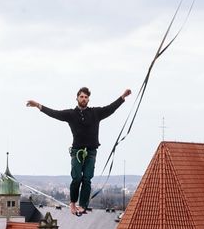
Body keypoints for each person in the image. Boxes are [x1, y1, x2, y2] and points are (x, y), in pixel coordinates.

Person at [27, 86, 130, 215]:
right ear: (77, 98)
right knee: (77, 178)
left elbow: (110, 108)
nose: (84, 99)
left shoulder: (95, 113)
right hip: (77, 151)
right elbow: (54, 113)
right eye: (81, 97)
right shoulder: (71, 114)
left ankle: (83, 205)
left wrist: (122, 97)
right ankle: (73, 202)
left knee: (87, 179)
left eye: (86, 97)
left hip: (91, 152)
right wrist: (37, 105)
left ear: (88, 99)